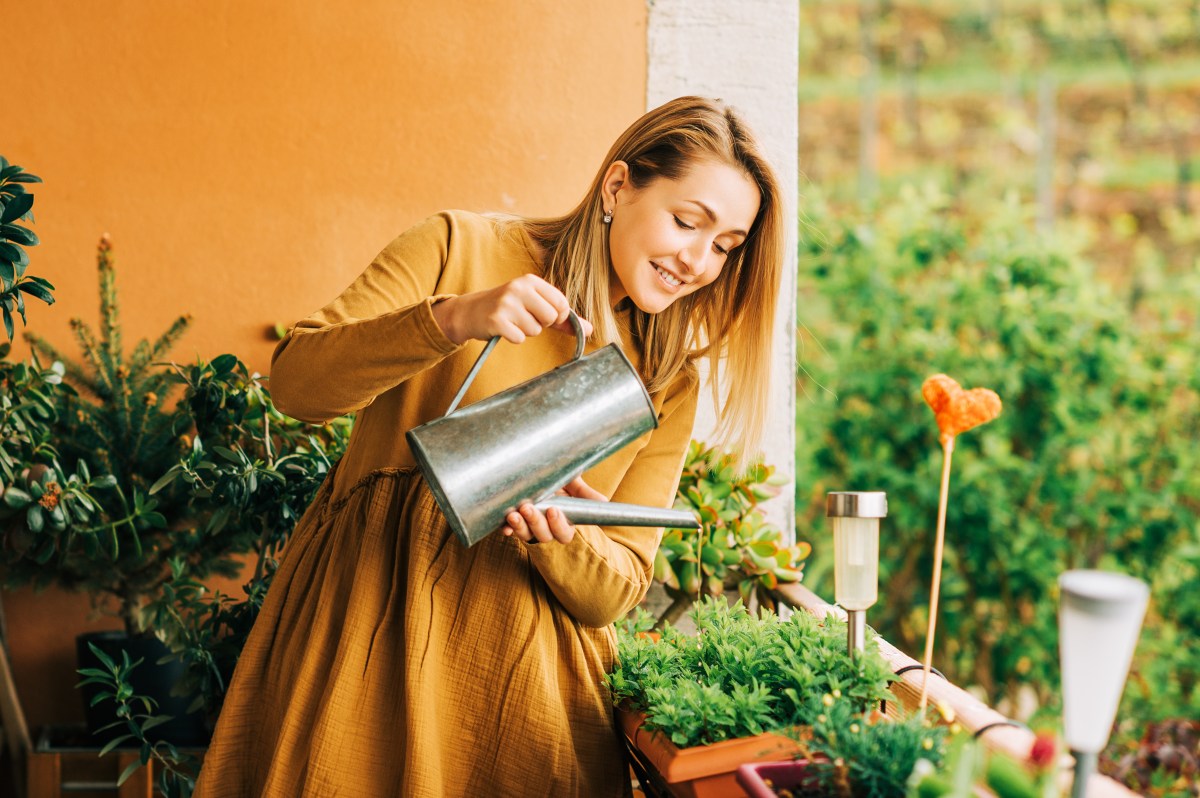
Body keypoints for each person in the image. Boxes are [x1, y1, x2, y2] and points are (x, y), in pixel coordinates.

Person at [193, 95, 784, 798]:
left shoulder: (665, 378)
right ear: (618, 186)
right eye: (688, 222)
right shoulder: (458, 248)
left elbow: (616, 590)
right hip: (367, 635)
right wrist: (451, 319)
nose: (698, 261)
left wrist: (561, 537)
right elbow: (296, 385)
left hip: (522, 694)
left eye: (725, 246)